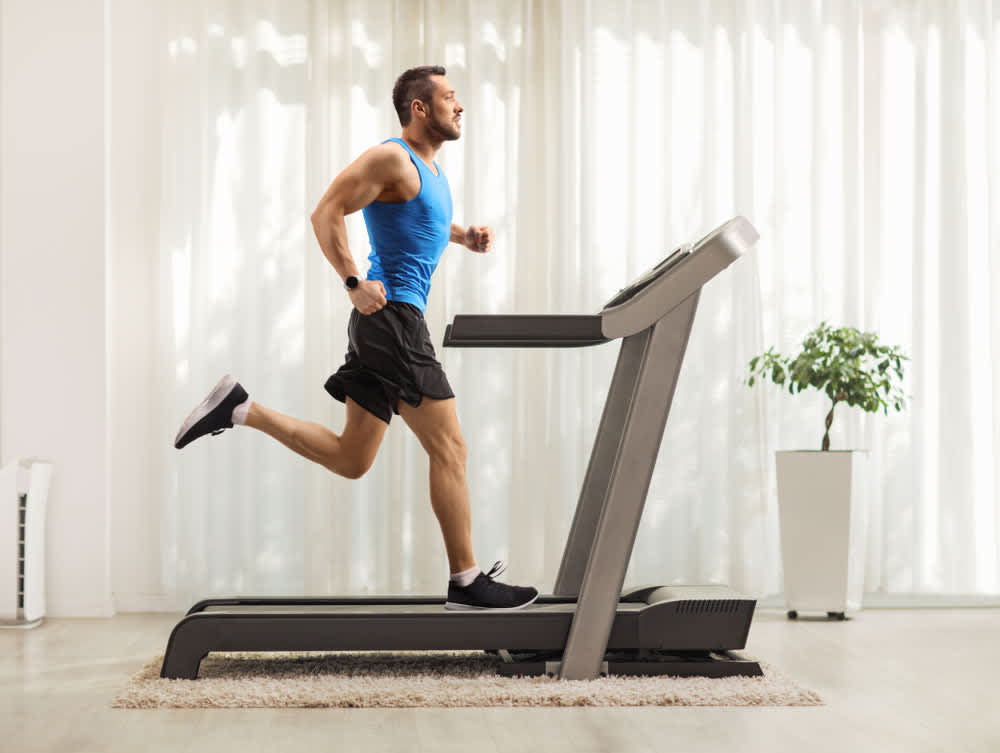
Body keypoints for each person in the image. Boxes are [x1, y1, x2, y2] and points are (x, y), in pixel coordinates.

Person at [173, 65, 538, 611]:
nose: (460, 106)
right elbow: (326, 212)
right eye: (450, 97)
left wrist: (465, 236)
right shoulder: (393, 157)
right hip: (392, 321)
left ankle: (241, 408)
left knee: (351, 458)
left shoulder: (431, 173)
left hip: (386, 324)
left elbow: (424, 224)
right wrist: (351, 282)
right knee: (451, 447)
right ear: (420, 108)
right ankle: (466, 582)